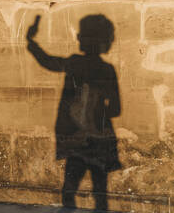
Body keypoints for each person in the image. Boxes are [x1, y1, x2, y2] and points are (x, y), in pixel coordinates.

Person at [26, 14, 121, 210]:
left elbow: (48, 61)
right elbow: (115, 109)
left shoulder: (74, 63)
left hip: (76, 137)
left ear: (82, 40)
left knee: (69, 189)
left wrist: (30, 41)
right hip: (99, 139)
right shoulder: (107, 70)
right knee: (100, 192)